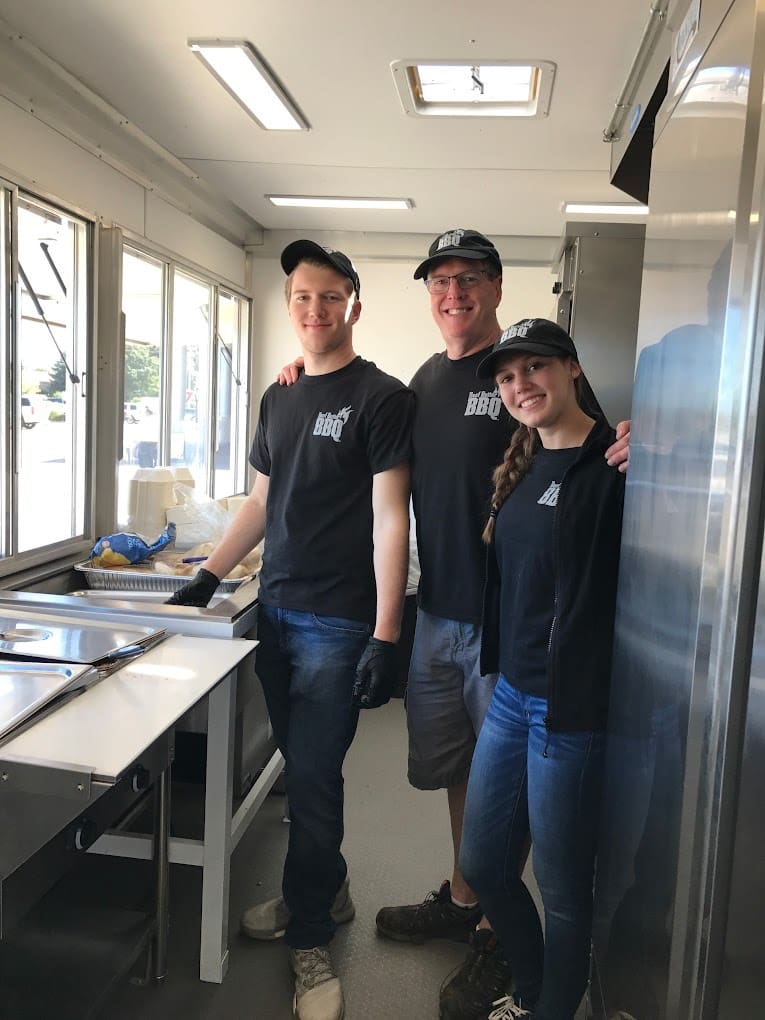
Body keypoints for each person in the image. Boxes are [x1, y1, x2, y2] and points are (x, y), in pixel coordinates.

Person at [278, 229, 630, 1020]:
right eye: (439, 283)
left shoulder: (528, 370)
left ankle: (495, 940)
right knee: (461, 772)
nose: (453, 294)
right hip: (438, 616)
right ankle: (469, 896)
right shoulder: (421, 384)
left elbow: (595, 453)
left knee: (516, 795)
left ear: (498, 289)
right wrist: (299, 375)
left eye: (469, 279)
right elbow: (376, 470)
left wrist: (644, 444)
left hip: (511, 631)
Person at [168, 239, 413, 1020]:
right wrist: (209, 575)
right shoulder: (279, 397)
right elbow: (259, 504)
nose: (315, 310)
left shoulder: (381, 398)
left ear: (353, 306)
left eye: (330, 297)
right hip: (272, 612)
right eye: (303, 297)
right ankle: (327, 891)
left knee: (312, 780)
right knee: (299, 770)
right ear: (290, 306)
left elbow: (388, 517)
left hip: (336, 625)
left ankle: (309, 941)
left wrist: (384, 630)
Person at [456, 317, 626, 1020]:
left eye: (533, 368)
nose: (519, 385)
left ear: (571, 368)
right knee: (485, 867)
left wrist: (666, 452)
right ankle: (530, 992)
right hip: (510, 695)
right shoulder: (519, 465)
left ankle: (551, 1010)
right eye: (505, 377)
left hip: (571, 709)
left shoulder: (613, 464)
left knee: (561, 888)